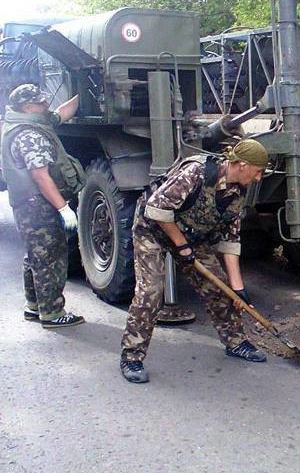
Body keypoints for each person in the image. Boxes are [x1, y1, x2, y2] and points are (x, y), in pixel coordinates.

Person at [119, 139, 271, 383]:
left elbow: (231, 240)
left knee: (219, 289)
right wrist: (180, 245)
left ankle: (235, 341)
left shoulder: (236, 193)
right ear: (242, 165)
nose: (258, 178)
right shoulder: (197, 173)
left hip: (191, 236)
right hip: (153, 230)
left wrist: (238, 288)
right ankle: (132, 356)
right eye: (258, 171)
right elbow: (156, 209)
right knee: (150, 292)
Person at [0, 84, 85, 328]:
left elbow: (60, 113)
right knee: (50, 257)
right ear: (27, 107)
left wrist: (85, 91)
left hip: (27, 204)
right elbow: (41, 176)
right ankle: (53, 313)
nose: (45, 104)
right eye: (39, 102)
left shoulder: (23, 121)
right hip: (36, 206)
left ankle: (34, 306)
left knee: (35, 255)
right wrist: (62, 208)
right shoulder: (29, 135)